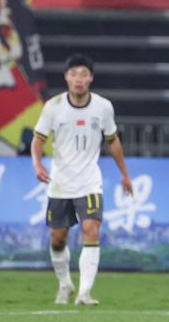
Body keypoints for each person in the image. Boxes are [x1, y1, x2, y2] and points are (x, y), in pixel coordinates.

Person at [31, 54, 133, 306]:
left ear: (91, 78)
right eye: (74, 74)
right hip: (60, 183)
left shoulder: (103, 107)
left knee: (91, 229)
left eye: (83, 74)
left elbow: (113, 141)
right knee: (58, 239)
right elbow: (38, 139)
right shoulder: (53, 106)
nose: (78, 79)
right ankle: (65, 283)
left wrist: (124, 174)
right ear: (66, 77)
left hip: (89, 182)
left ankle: (84, 292)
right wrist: (37, 163)